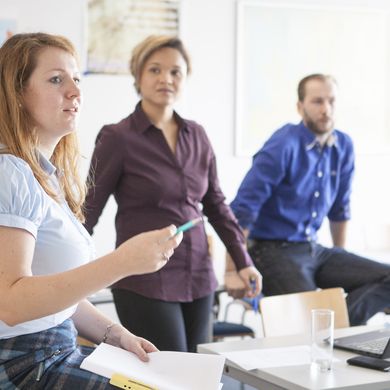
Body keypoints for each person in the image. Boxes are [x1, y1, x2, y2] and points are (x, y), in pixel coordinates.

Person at [0, 32, 183, 389]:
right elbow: (12, 301)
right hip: (25, 364)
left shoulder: (44, 178)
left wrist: (116, 334)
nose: (75, 91)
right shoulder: (11, 172)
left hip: (55, 350)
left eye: (77, 79)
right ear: (17, 94)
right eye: (56, 80)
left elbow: (57, 300)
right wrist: (123, 262)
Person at [83, 35, 262, 352]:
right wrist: (72, 279)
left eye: (175, 72)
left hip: (198, 277)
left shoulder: (198, 135)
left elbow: (217, 205)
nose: (165, 78)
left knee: (199, 374)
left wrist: (243, 260)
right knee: (167, 377)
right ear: (138, 76)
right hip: (143, 279)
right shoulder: (117, 137)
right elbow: (88, 210)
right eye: (155, 70)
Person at [230, 73, 390, 326]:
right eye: (317, 101)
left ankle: (332, 332)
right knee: (307, 316)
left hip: (313, 249)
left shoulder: (344, 145)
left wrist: (340, 254)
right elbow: (243, 209)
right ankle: (326, 332)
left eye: (331, 101)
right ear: (300, 106)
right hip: (271, 251)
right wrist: (234, 268)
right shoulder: (283, 143)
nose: (326, 109)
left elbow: (340, 209)